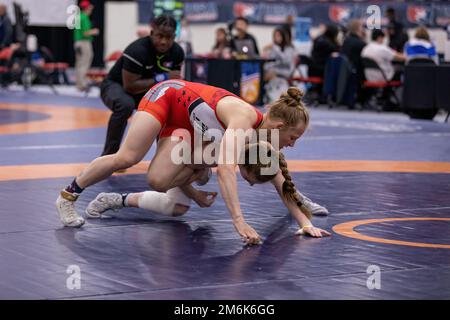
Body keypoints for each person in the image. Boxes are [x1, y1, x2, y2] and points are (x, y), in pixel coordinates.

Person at [55, 80, 329, 244]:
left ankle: (192, 177)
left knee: (160, 183)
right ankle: (69, 195)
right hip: (168, 97)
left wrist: (303, 221)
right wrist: (239, 222)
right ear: (279, 126)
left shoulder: (264, 143)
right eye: (293, 138)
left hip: (189, 131)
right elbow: (225, 170)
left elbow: (282, 181)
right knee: (128, 157)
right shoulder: (244, 121)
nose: (292, 145)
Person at [85, 140, 331, 240]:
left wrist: (304, 222)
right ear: (242, 166)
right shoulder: (218, 150)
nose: (249, 184)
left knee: (181, 203)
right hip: (178, 144)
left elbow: (283, 185)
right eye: (250, 180)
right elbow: (180, 170)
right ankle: (115, 199)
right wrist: (197, 194)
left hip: (193, 155)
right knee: (196, 179)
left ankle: (200, 176)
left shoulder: (260, 150)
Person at [100, 14, 185, 156]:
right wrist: (163, 77)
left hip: (145, 90)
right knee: (125, 105)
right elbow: (130, 86)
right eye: (159, 36)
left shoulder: (177, 52)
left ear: (174, 37)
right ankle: (109, 156)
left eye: (168, 37)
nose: (163, 41)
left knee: (169, 109)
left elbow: (173, 84)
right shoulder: (137, 50)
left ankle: (163, 158)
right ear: (152, 33)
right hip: (117, 85)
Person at [263, 27, 297, 103]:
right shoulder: (273, 48)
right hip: (272, 74)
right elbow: (269, 63)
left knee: (275, 81)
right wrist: (265, 52)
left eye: (278, 36)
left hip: (285, 73)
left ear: (283, 36)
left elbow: (286, 61)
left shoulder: (290, 48)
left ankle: (276, 100)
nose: (276, 38)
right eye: (275, 36)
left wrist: (275, 48)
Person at [73, 0, 99, 91]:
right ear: (87, 8)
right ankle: (82, 85)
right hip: (84, 42)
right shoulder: (84, 18)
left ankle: (79, 84)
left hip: (77, 42)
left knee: (79, 63)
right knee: (84, 63)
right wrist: (94, 31)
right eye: (90, 7)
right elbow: (85, 33)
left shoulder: (78, 17)